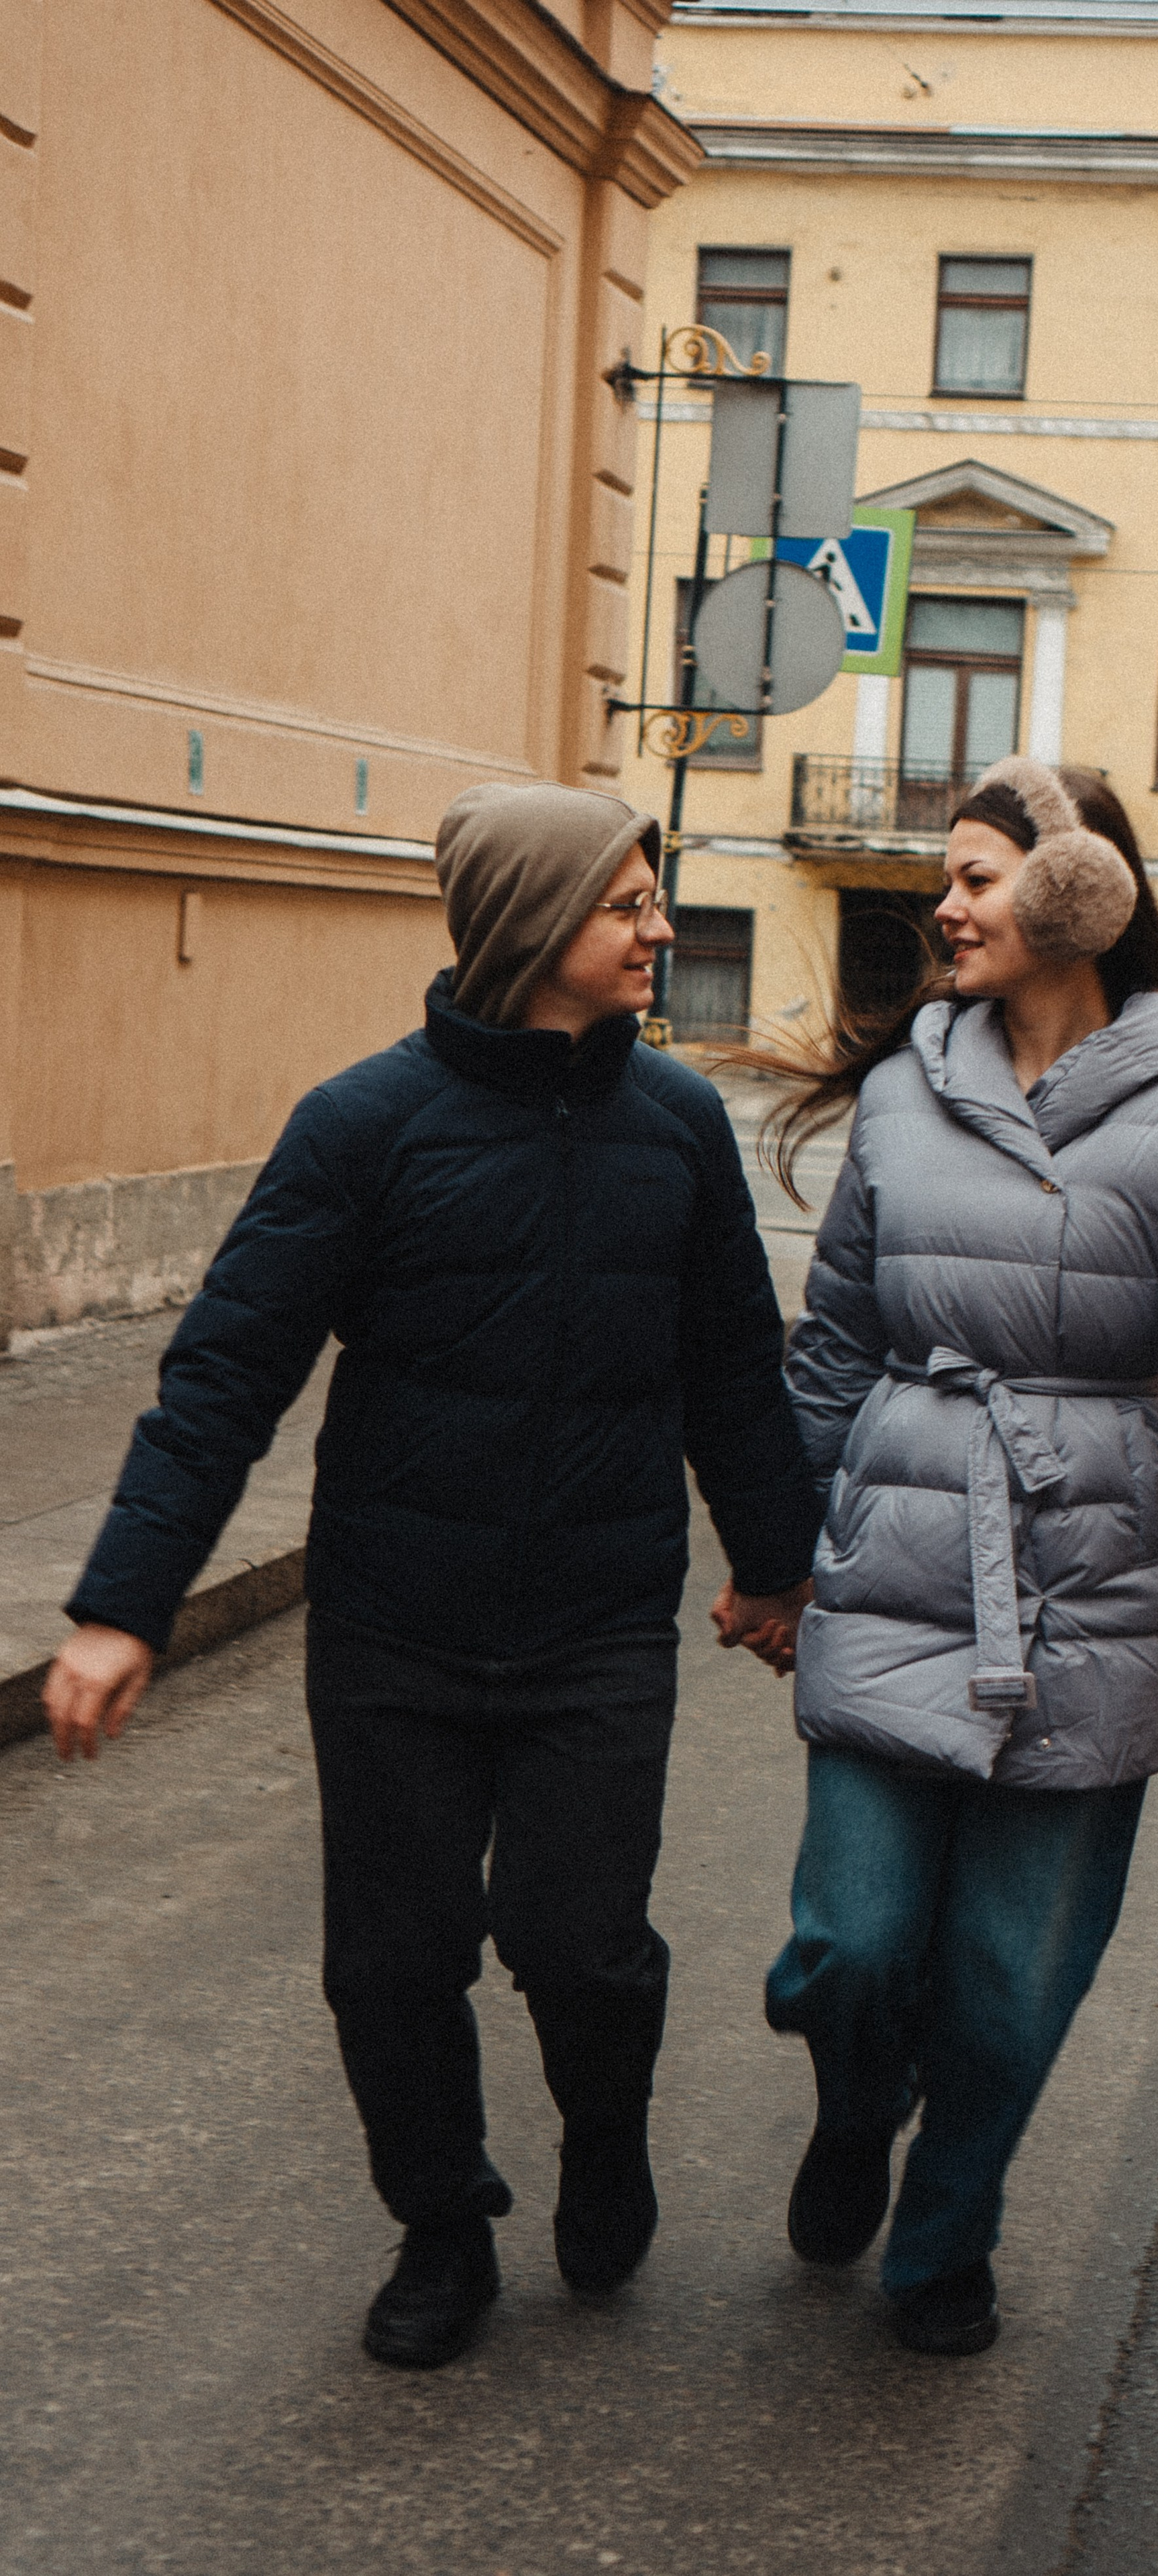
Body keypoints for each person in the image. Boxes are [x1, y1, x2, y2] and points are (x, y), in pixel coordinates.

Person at [44, 782, 821, 2371]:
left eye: (655, 899)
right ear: (536, 925)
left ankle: (603, 2139)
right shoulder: (364, 1126)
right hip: (396, 1623)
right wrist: (126, 1605)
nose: (661, 929)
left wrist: (773, 1567)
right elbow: (224, 1376)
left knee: (579, 1943)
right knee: (391, 1960)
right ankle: (443, 2221)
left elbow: (736, 1366)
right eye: (630, 904)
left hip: (598, 1618)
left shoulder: (674, 1131)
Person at [721, 757, 1158, 2359]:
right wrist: (773, 1556)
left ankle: (941, 2248)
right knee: (846, 1946)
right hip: (894, 1560)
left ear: (1078, 894)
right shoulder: (901, 1094)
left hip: (1092, 1589)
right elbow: (831, 1351)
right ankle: (856, 2096)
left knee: (1009, 1991)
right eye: (942, 877)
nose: (942, 906)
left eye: (974, 876)